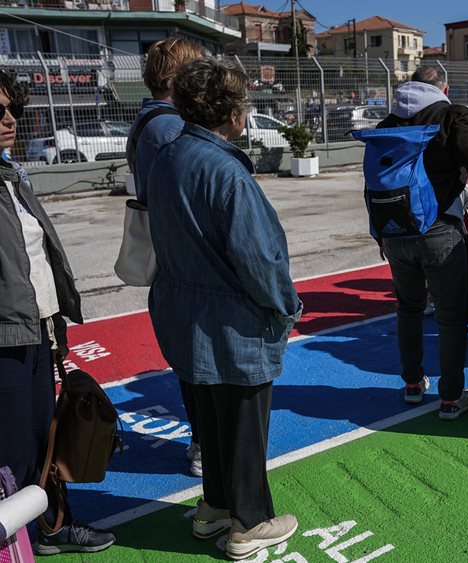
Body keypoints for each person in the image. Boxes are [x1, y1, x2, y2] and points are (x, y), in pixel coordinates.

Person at [146, 58, 302, 560]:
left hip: (182, 310)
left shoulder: (168, 155)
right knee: (243, 423)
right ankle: (250, 521)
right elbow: (260, 258)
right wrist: (287, 305)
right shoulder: (225, 171)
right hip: (231, 321)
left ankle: (213, 506)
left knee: (208, 417)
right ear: (232, 112)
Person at [0, 70, 116, 555]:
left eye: (12, 110)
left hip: (35, 326)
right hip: (4, 336)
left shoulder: (11, 175)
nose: (9, 120)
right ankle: (16, 539)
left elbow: (36, 261)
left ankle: (48, 527)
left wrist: (57, 320)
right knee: (10, 450)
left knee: (40, 440)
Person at [376, 66, 468, 418]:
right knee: (450, 318)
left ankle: (411, 383)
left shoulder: (387, 124)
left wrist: (380, 234)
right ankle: (450, 397)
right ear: (444, 88)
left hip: (395, 231)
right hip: (439, 230)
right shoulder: (451, 114)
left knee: (408, 308)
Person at [125, 37, 205, 478]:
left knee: (196, 358)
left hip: (174, 255)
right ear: (180, 77)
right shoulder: (167, 127)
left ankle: (203, 440)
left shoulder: (151, 121)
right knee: (200, 361)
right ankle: (203, 444)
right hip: (185, 258)